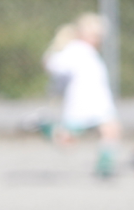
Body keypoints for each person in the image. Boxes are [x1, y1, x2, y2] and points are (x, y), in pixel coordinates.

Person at [44, 12, 121, 176]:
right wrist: (50, 60)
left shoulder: (89, 52)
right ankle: (49, 129)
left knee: (110, 129)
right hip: (80, 104)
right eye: (94, 35)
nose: (98, 39)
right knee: (68, 141)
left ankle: (105, 165)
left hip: (98, 103)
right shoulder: (76, 49)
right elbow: (55, 64)